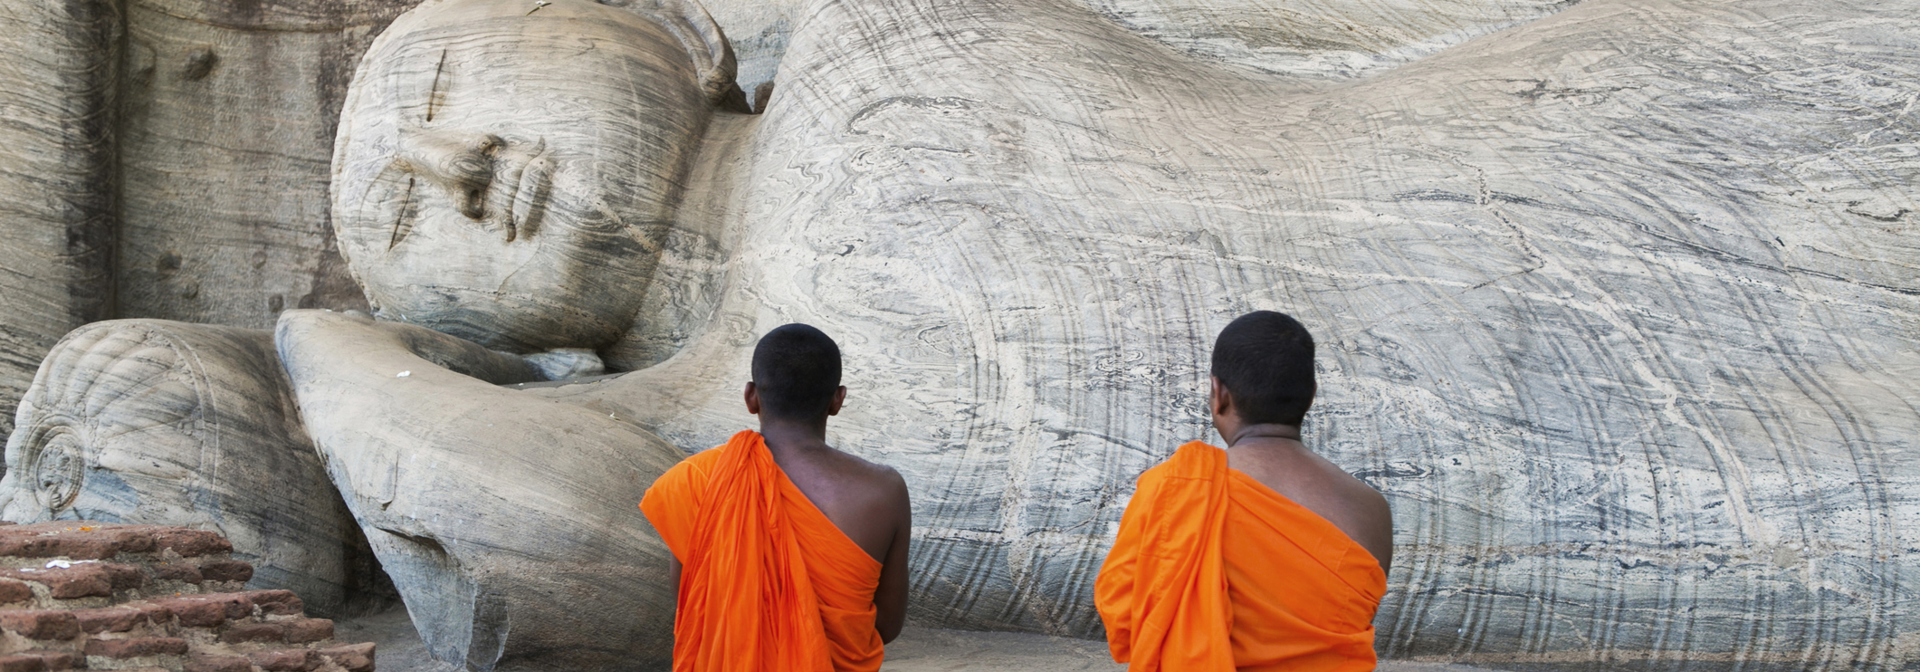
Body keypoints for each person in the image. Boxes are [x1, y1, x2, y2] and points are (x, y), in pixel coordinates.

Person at [1095, 311, 1393, 671]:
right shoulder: (1371, 510)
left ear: (1218, 394)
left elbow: (1124, 619)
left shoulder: (1173, 488)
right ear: (1311, 397)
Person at [640, 324, 912, 671]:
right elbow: (887, 625)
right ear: (837, 400)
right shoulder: (884, 491)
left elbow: (694, 606)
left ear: (751, 397)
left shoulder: (699, 481)